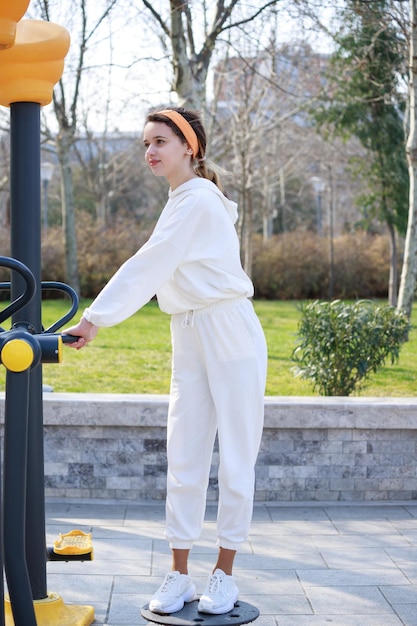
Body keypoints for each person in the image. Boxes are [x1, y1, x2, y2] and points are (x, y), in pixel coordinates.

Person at [64, 107, 268, 616]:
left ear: (189, 147)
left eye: (160, 142)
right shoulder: (182, 200)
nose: (151, 152)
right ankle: (179, 574)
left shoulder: (198, 201)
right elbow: (157, 262)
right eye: (146, 145)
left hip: (229, 328)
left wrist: (95, 318)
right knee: (184, 451)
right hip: (190, 331)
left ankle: (224, 575)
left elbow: (149, 263)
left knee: (238, 455)